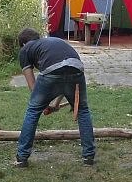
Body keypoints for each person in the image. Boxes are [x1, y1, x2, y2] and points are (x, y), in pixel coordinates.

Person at [14, 28, 95, 167]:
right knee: (83, 110)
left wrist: (43, 105)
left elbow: (33, 87)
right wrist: (56, 104)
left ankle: (22, 157)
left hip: (54, 71)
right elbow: (64, 77)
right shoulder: (52, 42)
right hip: (76, 69)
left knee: (33, 110)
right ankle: (89, 156)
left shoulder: (25, 49)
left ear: (23, 44)